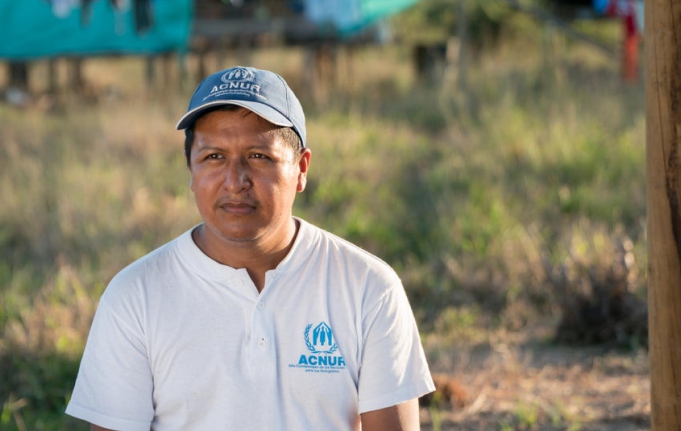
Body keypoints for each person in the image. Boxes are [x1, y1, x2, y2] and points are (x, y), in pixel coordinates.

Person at [66, 66, 434, 431]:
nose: (235, 181)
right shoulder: (135, 295)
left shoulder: (367, 286)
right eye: (214, 157)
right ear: (190, 170)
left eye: (259, 156)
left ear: (302, 168)